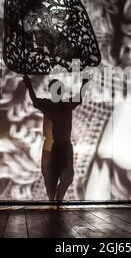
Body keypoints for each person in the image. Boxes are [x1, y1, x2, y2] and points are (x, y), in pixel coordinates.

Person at [22, 74, 92, 202]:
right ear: (51, 91)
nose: (58, 91)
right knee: (50, 179)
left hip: (64, 145)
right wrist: (29, 85)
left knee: (67, 176)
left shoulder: (66, 104)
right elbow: (35, 101)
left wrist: (85, 83)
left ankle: (57, 200)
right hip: (52, 146)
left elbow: (80, 97)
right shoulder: (49, 104)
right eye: (55, 88)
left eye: (59, 88)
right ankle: (53, 202)